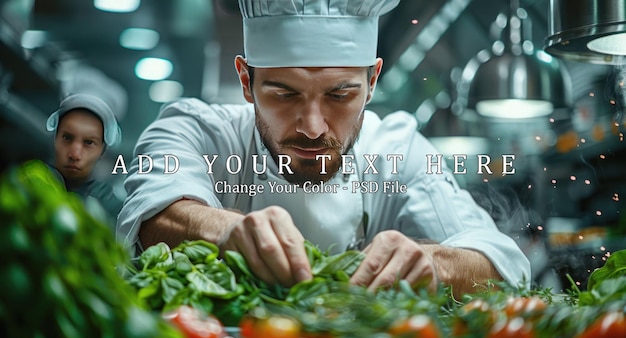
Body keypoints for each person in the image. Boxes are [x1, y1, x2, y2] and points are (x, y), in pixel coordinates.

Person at [117, 0, 531, 295]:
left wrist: (437, 264)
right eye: (284, 94)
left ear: (371, 82)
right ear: (246, 81)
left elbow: (500, 260)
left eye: (339, 95)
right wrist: (227, 231)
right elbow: (155, 214)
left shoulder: (397, 151)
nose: (313, 128)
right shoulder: (197, 131)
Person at [46, 93, 124, 222]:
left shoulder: (112, 210)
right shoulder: (25, 189)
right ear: (55, 139)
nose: (75, 154)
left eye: (89, 143)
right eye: (67, 138)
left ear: (102, 151)